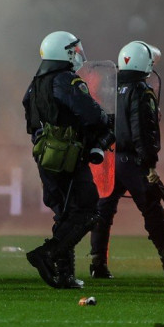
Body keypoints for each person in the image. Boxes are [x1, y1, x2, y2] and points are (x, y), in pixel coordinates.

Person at [87, 41, 164, 279]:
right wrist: (149, 162)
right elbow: (143, 130)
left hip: (111, 159)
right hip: (133, 161)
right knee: (153, 210)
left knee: (103, 212)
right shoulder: (141, 90)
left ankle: (97, 265)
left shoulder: (110, 87)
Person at [22, 31, 110, 290]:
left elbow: (30, 116)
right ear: (66, 53)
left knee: (64, 213)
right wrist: (106, 122)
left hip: (45, 153)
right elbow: (93, 115)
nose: (79, 54)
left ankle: (65, 275)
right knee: (87, 210)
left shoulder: (36, 82)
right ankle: (47, 254)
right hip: (69, 154)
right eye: (74, 49)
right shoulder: (66, 80)